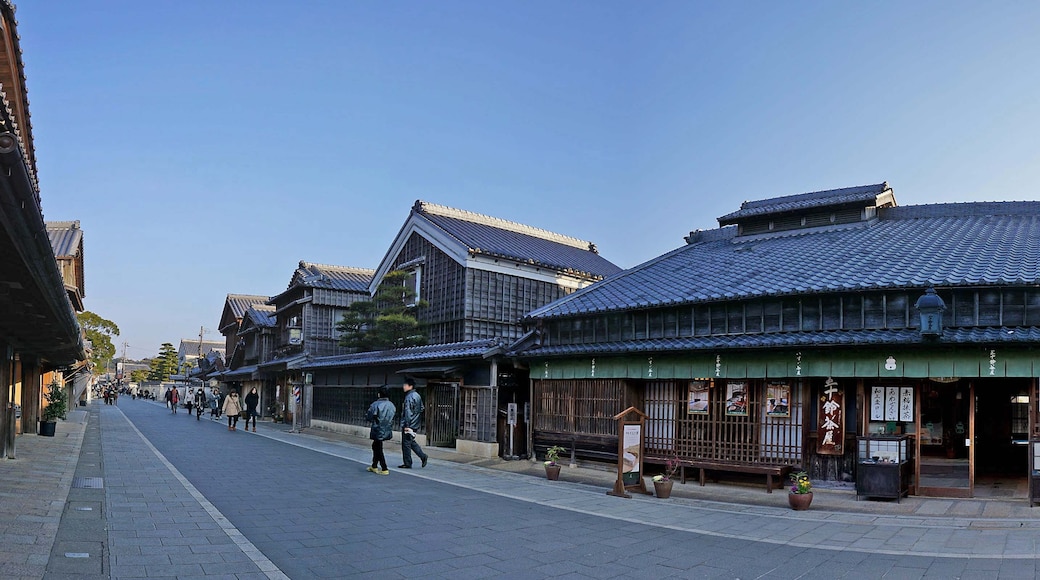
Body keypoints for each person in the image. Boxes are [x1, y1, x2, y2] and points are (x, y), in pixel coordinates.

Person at [365, 386, 396, 475]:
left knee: (378, 448)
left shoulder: (375, 404)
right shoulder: (391, 405)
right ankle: (374, 465)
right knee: (376, 446)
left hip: (377, 428)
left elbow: (369, 416)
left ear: (379, 394)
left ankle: (384, 467)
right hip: (387, 428)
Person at [399, 378, 428, 469]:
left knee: (406, 444)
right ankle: (422, 456)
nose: (403, 386)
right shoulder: (417, 396)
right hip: (415, 423)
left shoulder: (409, 397)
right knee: (410, 442)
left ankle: (408, 462)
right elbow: (422, 408)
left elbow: (407, 412)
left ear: (410, 386)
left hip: (409, 423)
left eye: (405, 385)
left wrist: (407, 425)